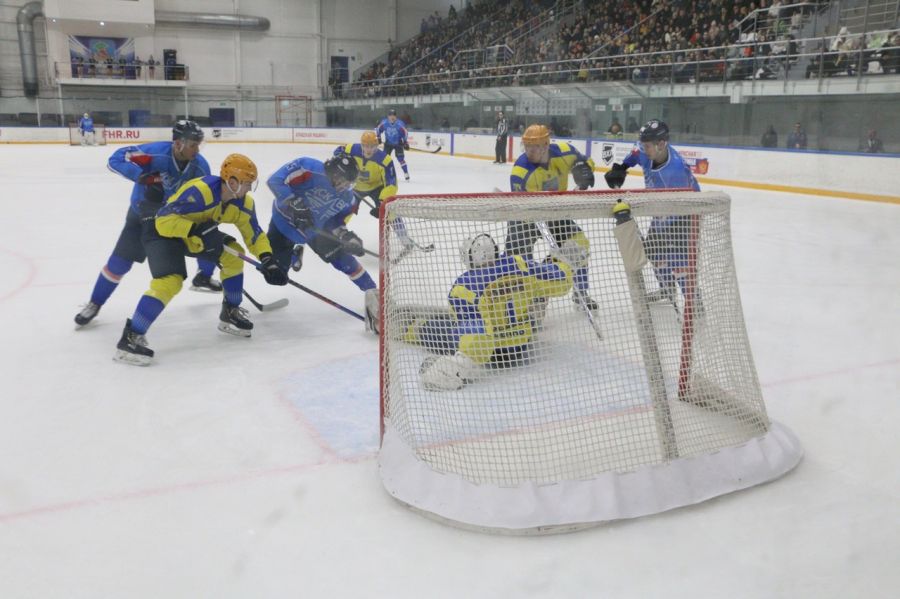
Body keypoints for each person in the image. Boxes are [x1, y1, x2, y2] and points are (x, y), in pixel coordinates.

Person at [114, 154, 287, 365]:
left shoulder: (242, 204)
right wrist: (196, 229)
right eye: (247, 184)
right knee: (170, 280)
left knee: (234, 255)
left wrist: (267, 258)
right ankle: (131, 336)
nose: (249, 189)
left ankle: (230, 312)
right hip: (161, 230)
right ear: (232, 182)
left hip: (196, 235)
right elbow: (164, 220)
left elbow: (254, 234)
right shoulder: (201, 191)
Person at [74, 120, 219, 328]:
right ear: (178, 143)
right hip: (142, 216)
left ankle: (204, 277)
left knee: (207, 242)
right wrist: (141, 175)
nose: (197, 149)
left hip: (172, 220)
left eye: (199, 144)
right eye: (193, 145)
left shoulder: (199, 165)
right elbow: (116, 158)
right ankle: (95, 303)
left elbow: (204, 193)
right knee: (120, 263)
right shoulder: (155, 153)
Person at [402, 233, 577, 391]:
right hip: (521, 345)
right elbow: (561, 283)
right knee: (537, 290)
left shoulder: (464, 285)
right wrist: (564, 263)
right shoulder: (519, 264)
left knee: (437, 327)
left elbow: (468, 329)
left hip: (491, 353)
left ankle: (405, 327)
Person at [266, 152, 379, 333]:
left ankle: (374, 292)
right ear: (335, 173)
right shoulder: (307, 167)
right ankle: (294, 253)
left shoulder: (346, 197)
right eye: (344, 181)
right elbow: (275, 180)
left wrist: (346, 236)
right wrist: (294, 203)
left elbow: (335, 222)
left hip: (314, 231)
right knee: (276, 277)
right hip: (283, 223)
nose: (347, 187)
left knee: (345, 261)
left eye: (350, 183)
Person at [603, 119, 701, 304]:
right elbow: (634, 156)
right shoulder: (646, 150)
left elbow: (675, 206)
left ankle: (694, 301)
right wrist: (621, 168)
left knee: (678, 261)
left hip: (686, 212)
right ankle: (666, 288)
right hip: (662, 209)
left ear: (662, 144)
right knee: (655, 253)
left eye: (647, 145)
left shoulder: (675, 170)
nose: (643, 148)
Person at [508, 124, 598, 311]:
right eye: (527, 147)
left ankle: (581, 293)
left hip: (555, 213)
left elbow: (586, 162)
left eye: (534, 147)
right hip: (525, 218)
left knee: (579, 245)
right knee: (518, 261)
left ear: (546, 145)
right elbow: (523, 207)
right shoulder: (521, 172)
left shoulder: (564, 152)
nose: (529, 151)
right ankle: (525, 303)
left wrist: (585, 171)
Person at [335, 131, 414, 253]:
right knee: (344, 210)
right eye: (366, 146)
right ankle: (335, 236)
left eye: (372, 146)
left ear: (377, 146)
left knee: (390, 210)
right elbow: (337, 152)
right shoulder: (351, 149)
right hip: (355, 186)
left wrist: (382, 201)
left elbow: (391, 184)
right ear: (361, 145)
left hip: (377, 188)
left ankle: (404, 238)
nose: (368, 149)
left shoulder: (385, 160)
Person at [376, 109, 410, 181]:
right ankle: (382, 174)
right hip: (388, 144)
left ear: (396, 116)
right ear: (388, 116)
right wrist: (378, 137)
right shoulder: (384, 123)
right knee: (384, 159)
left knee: (400, 159)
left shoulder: (400, 124)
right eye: (390, 115)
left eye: (393, 115)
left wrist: (405, 142)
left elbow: (405, 133)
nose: (392, 117)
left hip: (398, 143)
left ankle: (406, 173)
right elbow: (378, 129)